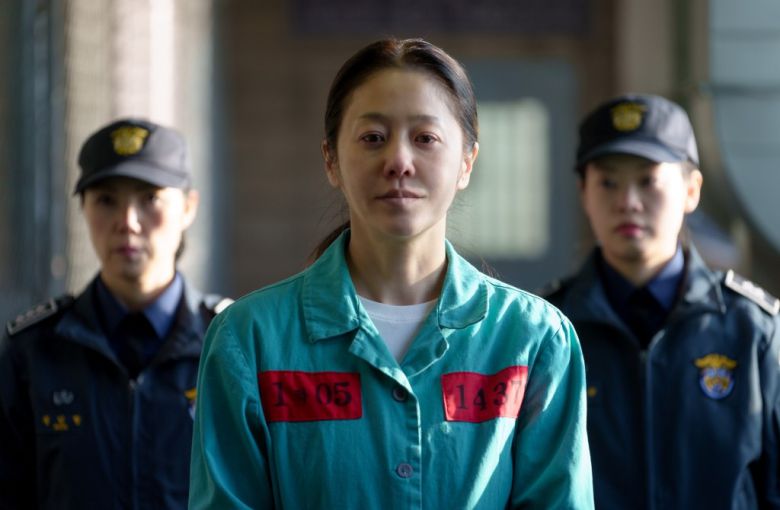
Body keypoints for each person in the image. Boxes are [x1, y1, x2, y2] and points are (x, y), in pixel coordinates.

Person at [188, 38, 593, 509]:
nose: (399, 161)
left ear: (466, 163)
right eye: (373, 138)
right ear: (331, 160)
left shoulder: (533, 339)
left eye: (425, 138)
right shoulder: (250, 339)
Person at [544, 94, 780, 509]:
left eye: (648, 180)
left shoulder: (753, 330)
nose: (628, 202)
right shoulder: (549, 331)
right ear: (583, 192)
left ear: (691, 190)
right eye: (608, 182)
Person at [0, 118, 231, 509]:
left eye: (150, 198)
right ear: (83, 209)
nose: (127, 222)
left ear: (188, 207)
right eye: (106, 200)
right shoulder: (34, 351)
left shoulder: (229, 343)